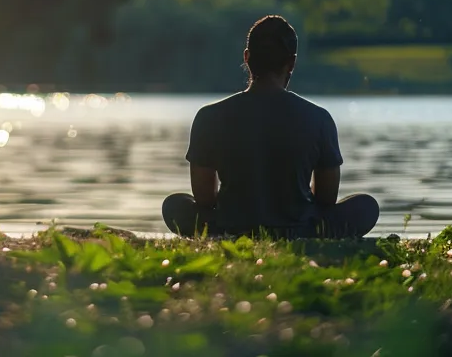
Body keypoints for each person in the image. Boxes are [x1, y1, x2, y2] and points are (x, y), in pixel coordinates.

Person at [161, 15, 379, 239]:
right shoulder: (319, 118)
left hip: (230, 228)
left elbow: (204, 199)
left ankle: (227, 235)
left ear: (247, 58)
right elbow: (326, 198)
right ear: (291, 62)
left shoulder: (208, 117)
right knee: (366, 206)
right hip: (301, 231)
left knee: (175, 205)